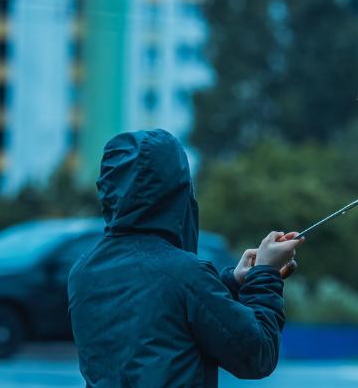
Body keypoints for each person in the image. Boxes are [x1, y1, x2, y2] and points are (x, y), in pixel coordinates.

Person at [68, 129, 305, 387]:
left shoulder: (83, 271)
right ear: (177, 192)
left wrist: (230, 282)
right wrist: (265, 275)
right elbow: (257, 355)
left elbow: (156, 312)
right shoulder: (184, 274)